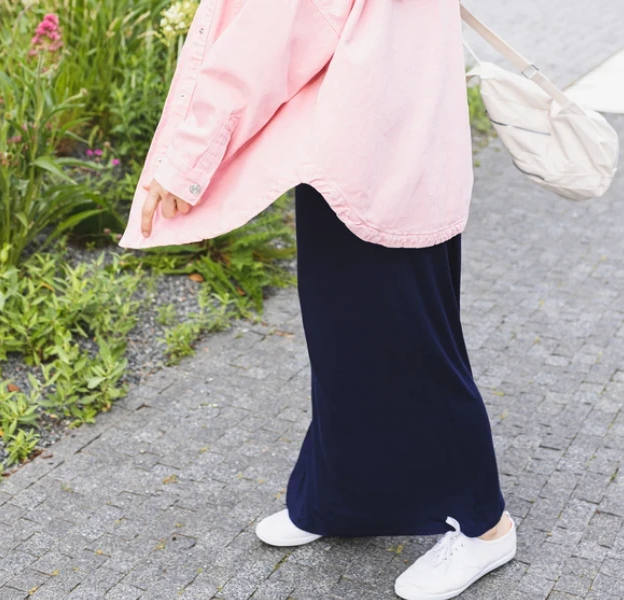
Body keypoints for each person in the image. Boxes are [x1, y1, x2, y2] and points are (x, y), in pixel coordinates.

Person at [118, 1, 517, 598]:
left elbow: (277, 26)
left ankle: (485, 525)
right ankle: (341, 498)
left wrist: (187, 157)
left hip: (366, 140)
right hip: (386, 127)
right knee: (347, 333)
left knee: (408, 340)